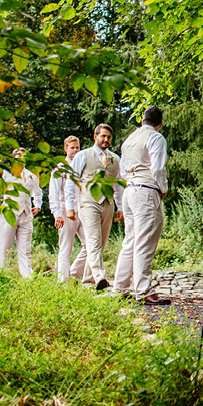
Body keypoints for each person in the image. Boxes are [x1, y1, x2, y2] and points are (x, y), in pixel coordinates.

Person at [114, 107, 170, 305]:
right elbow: (158, 167)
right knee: (144, 242)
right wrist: (163, 188)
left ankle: (120, 288)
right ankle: (144, 291)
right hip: (146, 190)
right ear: (160, 124)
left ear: (142, 120)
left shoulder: (129, 139)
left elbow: (121, 171)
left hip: (129, 190)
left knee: (130, 240)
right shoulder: (156, 138)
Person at [65, 124, 124, 291]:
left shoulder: (115, 159)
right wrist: (70, 206)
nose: (106, 140)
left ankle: (89, 282)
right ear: (95, 136)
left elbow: (118, 186)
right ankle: (100, 276)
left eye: (108, 137)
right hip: (88, 203)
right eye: (103, 136)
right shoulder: (83, 155)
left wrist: (120, 208)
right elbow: (71, 182)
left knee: (101, 243)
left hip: (108, 204)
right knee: (93, 241)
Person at [0, 148, 43, 278]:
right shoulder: (5, 174)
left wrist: (37, 205)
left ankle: (27, 278)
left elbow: (38, 192)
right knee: (5, 248)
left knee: (25, 250)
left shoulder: (31, 176)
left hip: (26, 215)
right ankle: (2, 276)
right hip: (8, 215)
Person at [49, 136, 87, 283]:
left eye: (77, 147)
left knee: (91, 246)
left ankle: (74, 274)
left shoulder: (83, 165)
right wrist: (57, 214)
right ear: (65, 148)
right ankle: (63, 281)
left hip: (82, 210)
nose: (75, 150)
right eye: (72, 147)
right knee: (65, 247)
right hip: (66, 211)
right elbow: (53, 193)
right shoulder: (60, 168)